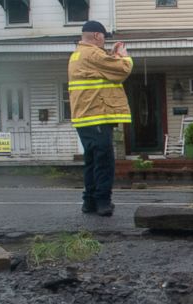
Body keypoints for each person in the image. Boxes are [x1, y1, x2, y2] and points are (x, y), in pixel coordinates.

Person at [68, 20, 132, 217]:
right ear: (97, 35)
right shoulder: (93, 53)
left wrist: (111, 54)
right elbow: (122, 70)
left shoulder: (78, 54)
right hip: (96, 115)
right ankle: (103, 202)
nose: (104, 41)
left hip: (85, 117)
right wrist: (123, 56)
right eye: (103, 37)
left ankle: (89, 202)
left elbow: (103, 70)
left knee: (92, 160)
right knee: (104, 161)